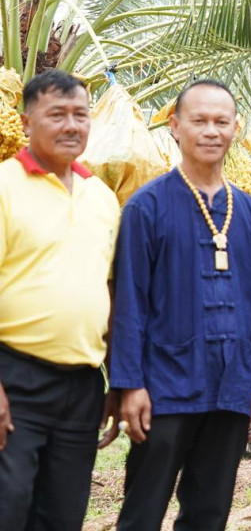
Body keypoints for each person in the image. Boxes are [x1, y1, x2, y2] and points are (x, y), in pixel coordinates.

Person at [111, 79, 251, 530]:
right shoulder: (146, 207)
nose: (211, 131)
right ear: (175, 126)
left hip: (231, 386)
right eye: (199, 120)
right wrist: (129, 385)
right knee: (142, 511)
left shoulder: (248, 212)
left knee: (209, 513)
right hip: (164, 387)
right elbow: (129, 303)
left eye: (221, 121)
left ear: (236, 128)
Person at [0, 69, 121, 530]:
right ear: (26, 122)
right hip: (14, 378)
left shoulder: (102, 198)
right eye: (57, 115)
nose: (72, 125)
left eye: (80, 115)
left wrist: (117, 380)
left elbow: (108, 291)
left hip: (82, 386)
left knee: (63, 515)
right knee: (8, 507)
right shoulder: (5, 187)